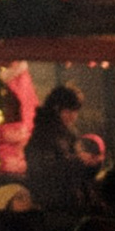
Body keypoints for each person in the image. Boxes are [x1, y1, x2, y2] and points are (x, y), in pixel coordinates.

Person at [22, 87, 91, 215]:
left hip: (70, 202)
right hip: (52, 206)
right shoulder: (42, 135)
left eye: (75, 111)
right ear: (56, 108)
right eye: (68, 111)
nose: (73, 116)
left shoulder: (70, 133)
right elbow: (43, 169)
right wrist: (77, 161)